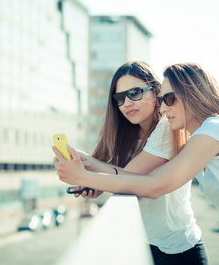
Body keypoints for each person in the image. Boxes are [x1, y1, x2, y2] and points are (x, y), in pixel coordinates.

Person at [53, 62, 219, 265]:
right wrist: (91, 169)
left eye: (169, 99)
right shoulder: (199, 135)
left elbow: (155, 185)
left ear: (193, 94)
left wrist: (86, 175)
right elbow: (147, 181)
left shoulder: (215, 129)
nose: (163, 109)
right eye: (162, 100)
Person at [65, 61, 209, 264]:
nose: (126, 103)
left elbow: (130, 176)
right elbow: (119, 180)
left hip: (177, 251)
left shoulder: (168, 127)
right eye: (119, 98)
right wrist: (96, 182)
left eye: (134, 93)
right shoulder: (123, 135)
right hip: (140, 245)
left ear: (156, 91)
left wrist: (89, 168)